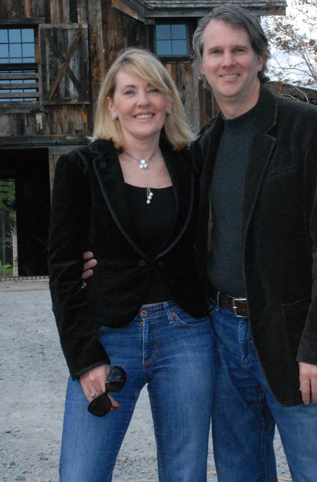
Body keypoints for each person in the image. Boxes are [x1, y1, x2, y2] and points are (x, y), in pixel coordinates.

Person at [192, 4, 317, 481]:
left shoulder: (309, 129)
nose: (228, 61)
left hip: (293, 338)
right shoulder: (205, 145)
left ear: (260, 58)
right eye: (216, 52)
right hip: (224, 339)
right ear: (202, 65)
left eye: (239, 50)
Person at [48, 48, 215, 482]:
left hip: (186, 337)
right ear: (111, 105)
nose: (143, 101)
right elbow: (64, 271)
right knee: (81, 474)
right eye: (130, 91)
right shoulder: (79, 168)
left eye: (153, 90)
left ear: (168, 102)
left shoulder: (193, 163)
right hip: (109, 335)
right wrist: (85, 359)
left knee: (185, 473)